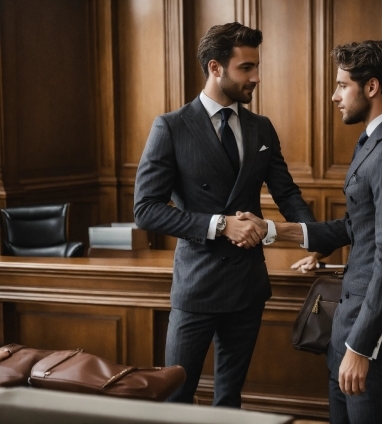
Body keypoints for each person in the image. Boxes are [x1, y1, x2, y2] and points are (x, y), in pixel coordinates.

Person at [238, 40, 382, 423]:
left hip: (371, 340)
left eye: (343, 85)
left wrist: (360, 348)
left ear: (372, 87)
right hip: (348, 332)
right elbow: (353, 227)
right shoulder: (374, 142)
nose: (334, 95)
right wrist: (273, 231)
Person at [133, 22, 315, 408]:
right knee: (177, 396)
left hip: (248, 285)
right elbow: (145, 209)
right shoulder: (171, 127)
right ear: (216, 68)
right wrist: (218, 225)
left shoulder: (261, 127)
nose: (256, 77)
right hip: (197, 286)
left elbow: (288, 193)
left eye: (256, 67)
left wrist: (312, 237)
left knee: (230, 398)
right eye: (246, 68)